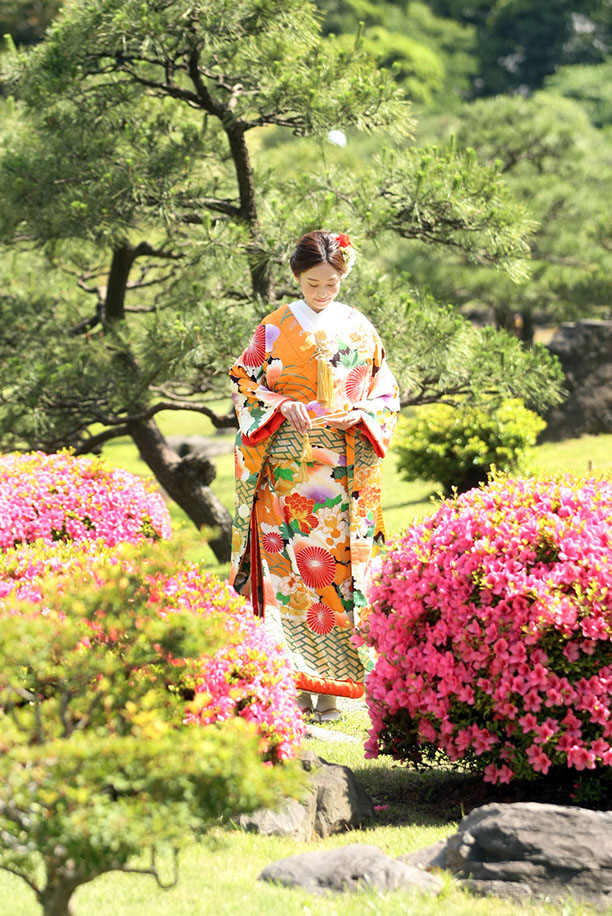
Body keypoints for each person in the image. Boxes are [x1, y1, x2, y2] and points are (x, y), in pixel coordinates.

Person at [228, 230, 399, 721]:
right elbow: (243, 380)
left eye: (332, 283)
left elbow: (386, 388)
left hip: (342, 472)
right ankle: (296, 685)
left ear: (342, 275)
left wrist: (361, 412)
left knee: (339, 573)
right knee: (290, 575)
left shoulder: (360, 327)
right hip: (284, 472)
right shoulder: (275, 326)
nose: (323, 293)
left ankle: (335, 689)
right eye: (313, 284)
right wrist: (282, 404)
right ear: (297, 278)